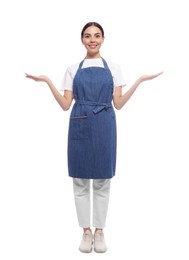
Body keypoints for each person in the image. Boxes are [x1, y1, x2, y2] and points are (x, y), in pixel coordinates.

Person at [25, 22, 163, 253]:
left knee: (102, 181)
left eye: (97, 36)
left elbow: (117, 104)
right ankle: (85, 231)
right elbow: (65, 105)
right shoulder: (72, 68)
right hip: (79, 121)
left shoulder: (115, 68)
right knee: (80, 182)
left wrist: (138, 81)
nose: (92, 40)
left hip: (104, 124)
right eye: (88, 36)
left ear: (103, 39)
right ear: (82, 40)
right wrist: (47, 81)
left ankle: (100, 231)